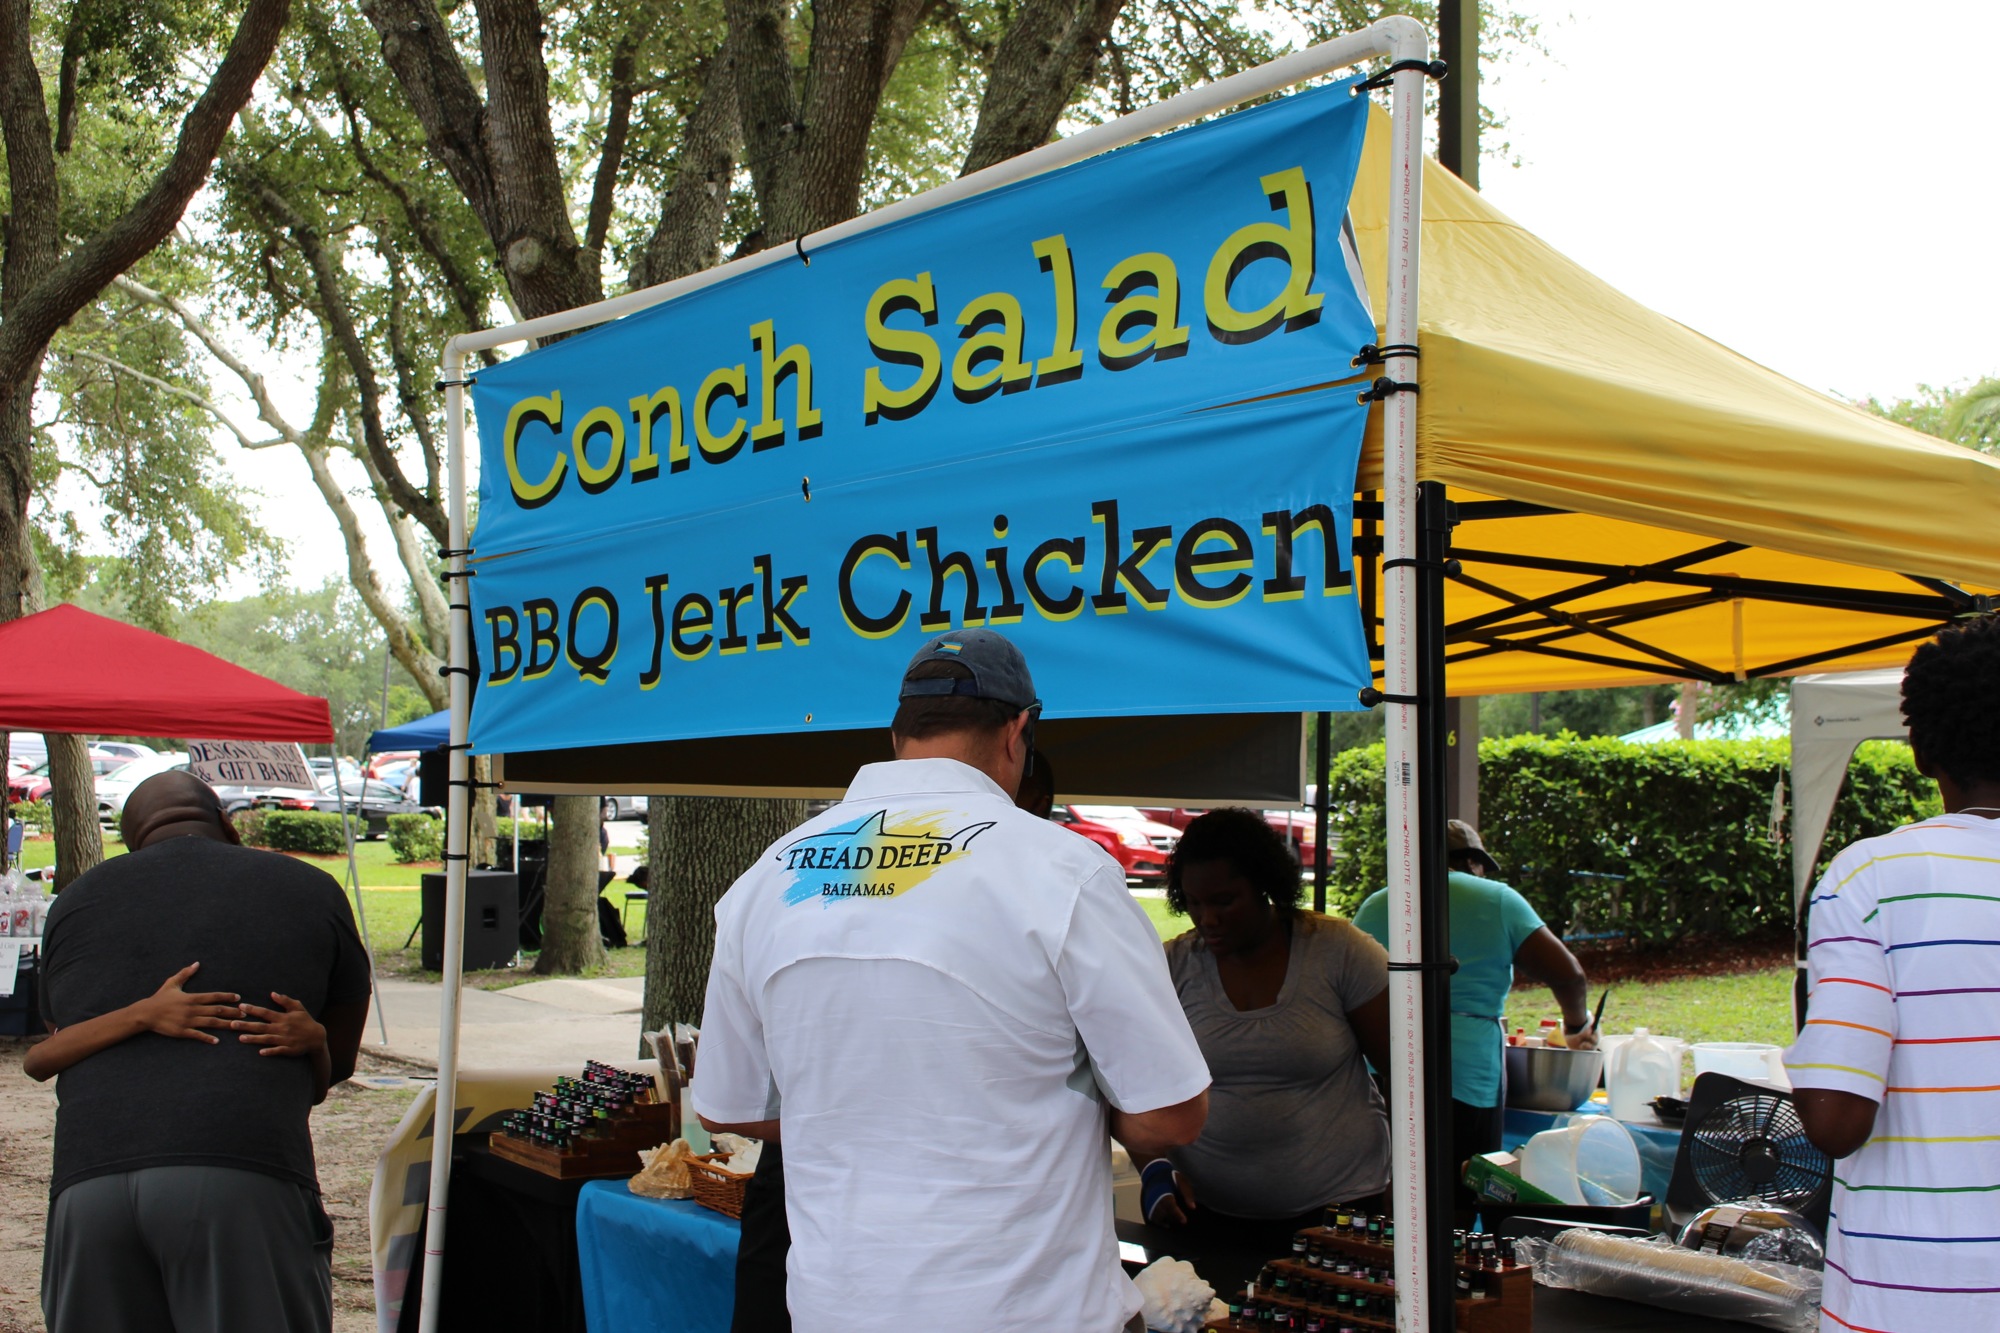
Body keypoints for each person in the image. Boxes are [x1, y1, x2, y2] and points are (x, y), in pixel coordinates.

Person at [693, 629, 1210, 1333]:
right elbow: (1171, 1112)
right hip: (1019, 1312)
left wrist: (862, 1107)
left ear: (898, 732)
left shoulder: (765, 880)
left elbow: (725, 1103)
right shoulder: (1065, 874)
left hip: (834, 1308)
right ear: (1017, 731)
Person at [33, 770, 372, 1333]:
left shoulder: (74, 902)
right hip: (242, 1174)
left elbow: (55, 1041)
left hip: (88, 1184)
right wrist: (312, 1046)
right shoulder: (309, 888)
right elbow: (340, 1060)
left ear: (131, 841)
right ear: (227, 826)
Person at [1785, 612, 2000, 1332]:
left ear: (1920, 748)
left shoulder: (1871, 878)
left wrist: (1812, 1023)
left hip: (1911, 1296)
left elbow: (1836, 1120)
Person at [1144, 808, 1392, 1252]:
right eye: (1194, 903)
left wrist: (1411, 1184)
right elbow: (1136, 1090)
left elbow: (1406, 1073)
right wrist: (1154, 1173)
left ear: (1264, 887)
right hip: (1209, 1214)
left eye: (1223, 901)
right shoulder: (1171, 967)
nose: (1207, 919)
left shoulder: (1339, 952)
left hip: (1341, 1209)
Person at [1353, 820, 1595, 1175]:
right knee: (1465, 1185)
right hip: (1465, 1075)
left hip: (1382, 1070)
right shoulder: (1498, 899)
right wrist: (1577, 1026)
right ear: (1473, 863)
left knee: (1391, 1182)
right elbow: (1569, 975)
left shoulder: (1378, 903)